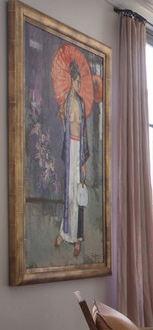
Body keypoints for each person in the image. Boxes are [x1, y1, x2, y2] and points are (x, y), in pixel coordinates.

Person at [54, 60, 89, 257]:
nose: (78, 85)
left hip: (79, 148)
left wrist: (83, 161)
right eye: (76, 82)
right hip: (70, 147)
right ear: (72, 81)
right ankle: (64, 233)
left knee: (78, 194)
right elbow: (66, 129)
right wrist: (62, 118)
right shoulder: (67, 101)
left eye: (80, 82)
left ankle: (78, 239)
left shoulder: (82, 103)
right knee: (68, 193)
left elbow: (84, 132)